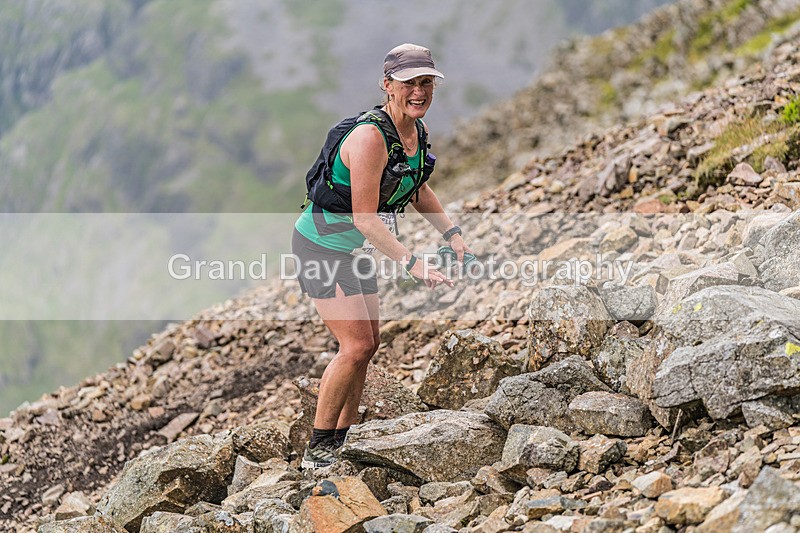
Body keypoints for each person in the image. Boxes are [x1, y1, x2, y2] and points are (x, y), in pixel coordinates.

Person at [292, 43, 473, 469]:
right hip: (321, 247)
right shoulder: (371, 138)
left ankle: (345, 440)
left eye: (426, 82)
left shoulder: (413, 131)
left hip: (351, 252)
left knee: (368, 344)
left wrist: (452, 232)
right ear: (387, 85)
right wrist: (414, 263)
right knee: (354, 346)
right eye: (410, 83)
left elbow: (418, 189)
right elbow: (366, 220)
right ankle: (317, 450)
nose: (419, 91)